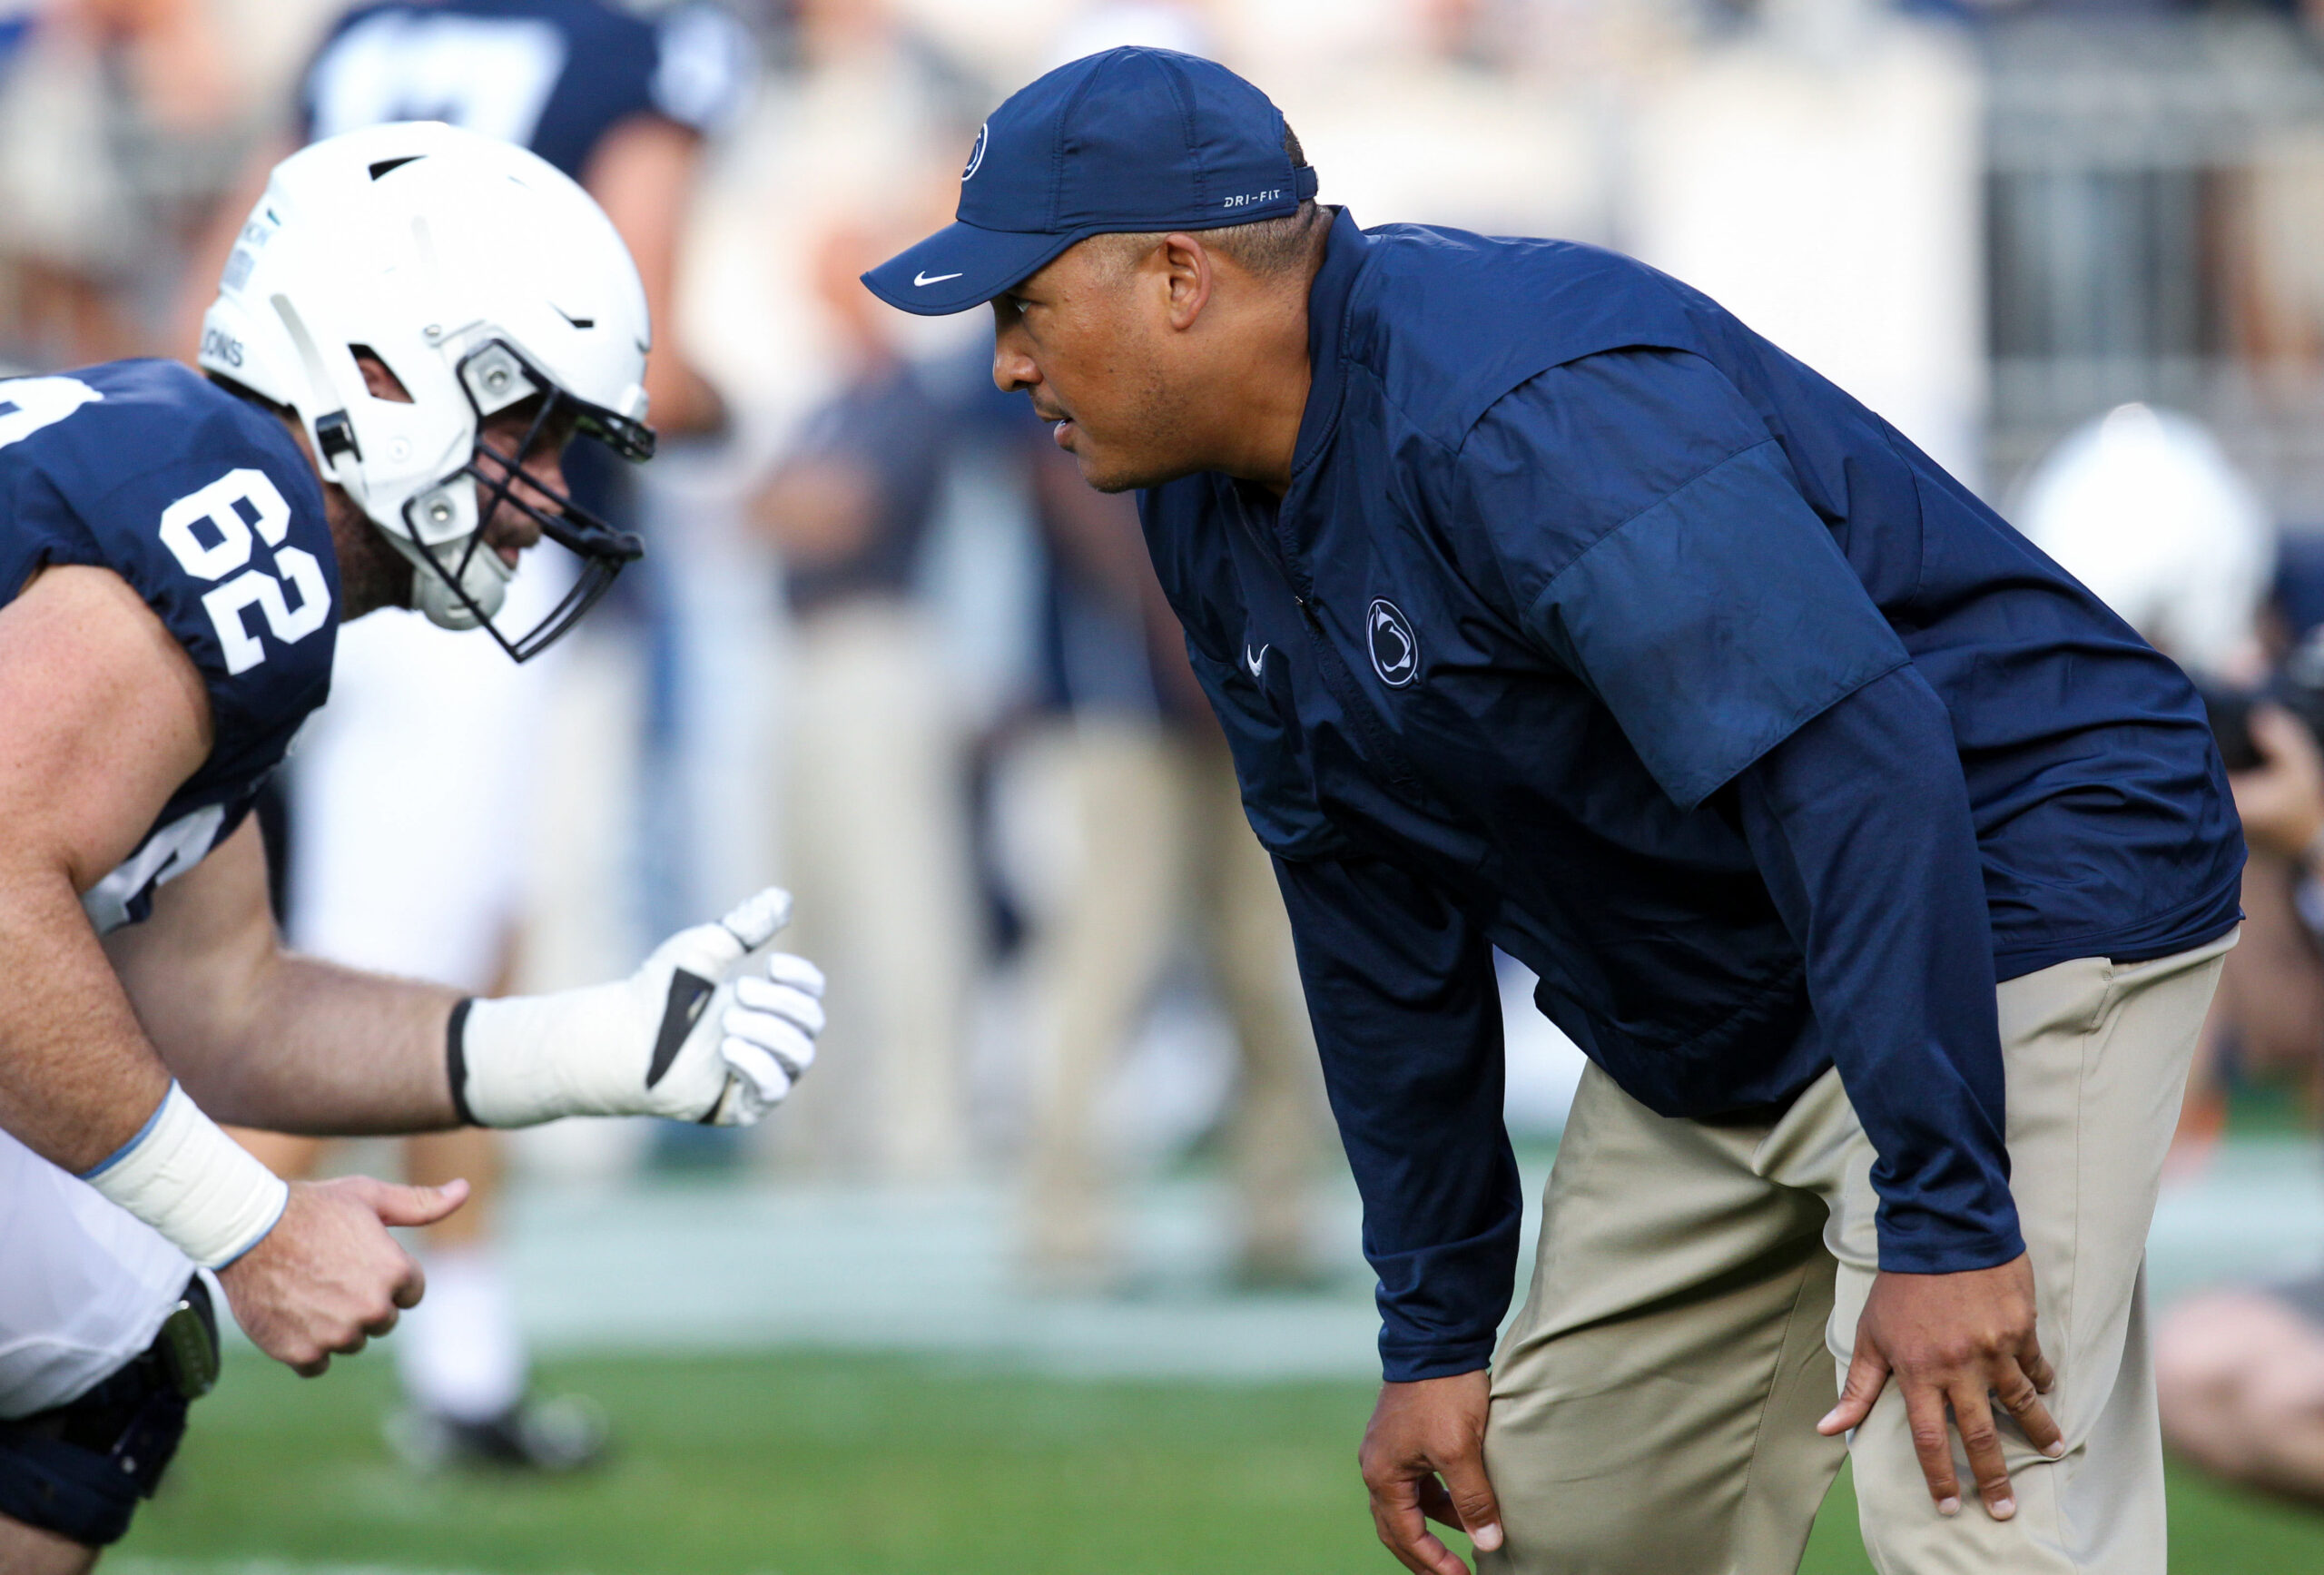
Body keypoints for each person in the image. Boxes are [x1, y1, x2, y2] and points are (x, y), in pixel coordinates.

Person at [862, 47, 2244, 1575]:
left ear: (1178, 275)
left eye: (1022, 304)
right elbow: (1367, 913)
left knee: (1977, 1508)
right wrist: (1436, 1329)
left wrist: (1944, 1213)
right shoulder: (1200, 495)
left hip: (2002, 878)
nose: (1002, 362)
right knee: (1571, 1527)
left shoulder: (1517, 407)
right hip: (1731, 956)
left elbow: (1855, 766)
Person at [0, 121, 825, 1573]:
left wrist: (586, 1048)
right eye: (529, 427)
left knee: (106, 1340)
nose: (554, 496)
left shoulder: (199, 490)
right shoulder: (224, 528)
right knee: (111, 1306)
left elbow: (229, 1008)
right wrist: (250, 1225)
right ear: (376, 367)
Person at [181, 0, 753, 1470]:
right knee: (365, 989)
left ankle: (466, 1366)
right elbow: (654, 358)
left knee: (445, 949)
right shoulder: (637, 47)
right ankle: (108, 1340)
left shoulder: (360, 32)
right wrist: (732, 412)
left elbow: (220, 297)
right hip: (461, 552)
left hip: (296, 509)